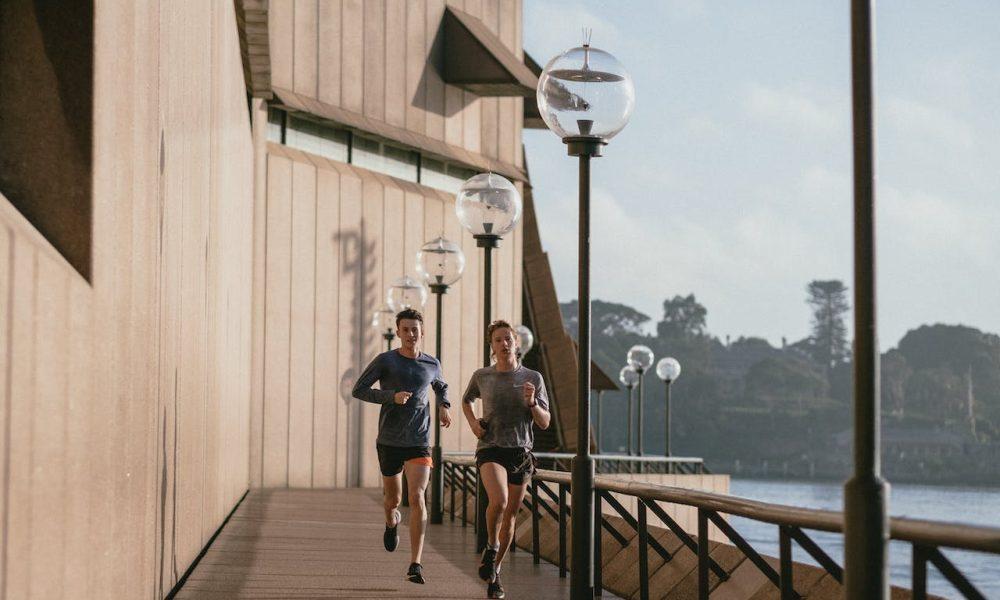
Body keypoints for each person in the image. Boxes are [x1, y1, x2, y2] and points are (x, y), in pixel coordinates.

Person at [352, 308, 451, 585]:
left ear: (422, 332)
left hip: (419, 441)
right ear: (398, 332)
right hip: (389, 441)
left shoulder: (431, 363)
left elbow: (441, 386)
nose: (410, 334)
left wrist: (444, 406)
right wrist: (390, 397)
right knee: (393, 500)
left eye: (415, 330)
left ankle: (416, 564)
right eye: (405, 330)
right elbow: (358, 389)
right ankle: (390, 521)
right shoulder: (386, 361)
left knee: (418, 497)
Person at [462, 320, 550, 599]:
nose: (504, 344)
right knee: (497, 501)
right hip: (490, 448)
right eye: (498, 340)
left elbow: (545, 423)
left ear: (516, 343)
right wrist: (474, 425)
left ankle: (495, 572)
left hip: (520, 453)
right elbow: (466, 401)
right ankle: (490, 546)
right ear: (492, 346)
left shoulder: (532, 378)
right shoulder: (482, 376)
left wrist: (533, 403)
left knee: (510, 516)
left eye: (508, 339)